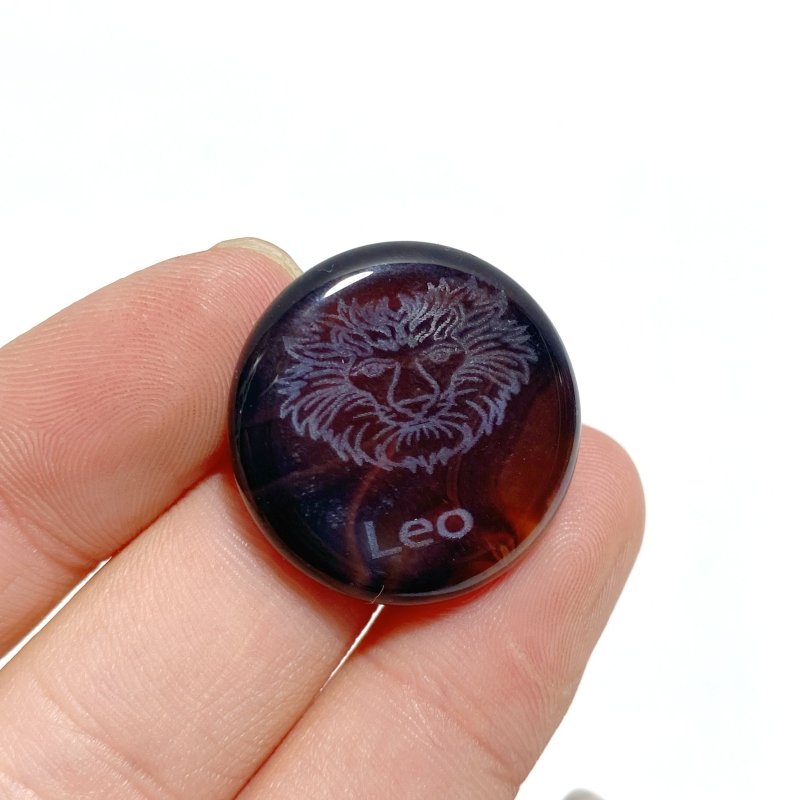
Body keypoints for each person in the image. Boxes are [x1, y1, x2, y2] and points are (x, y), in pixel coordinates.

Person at [0, 238, 644, 799]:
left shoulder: (519, 448)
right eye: (372, 373)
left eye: (440, 361)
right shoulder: (301, 459)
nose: (415, 392)